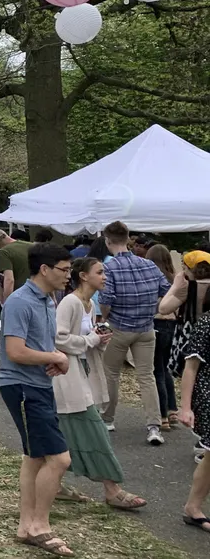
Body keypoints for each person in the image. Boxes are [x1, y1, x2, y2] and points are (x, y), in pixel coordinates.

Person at [0, 243, 76, 557]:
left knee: (34, 456)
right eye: (64, 270)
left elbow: (36, 346)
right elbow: (15, 351)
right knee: (59, 459)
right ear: (44, 269)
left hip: (38, 384)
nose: (68, 277)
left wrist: (52, 359)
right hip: (22, 386)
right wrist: (56, 356)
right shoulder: (19, 301)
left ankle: (25, 525)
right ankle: (39, 527)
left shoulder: (48, 299)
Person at [55, 257, 147, 511]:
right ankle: (112, 489)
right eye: (100, 272)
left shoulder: (89, 303)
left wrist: (97, 339)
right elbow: (59, 339)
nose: (105, 276)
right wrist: (91, 340)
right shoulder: (70, 302)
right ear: (84, 276)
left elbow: (85, 338)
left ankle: (54, 483)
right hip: (67, 379)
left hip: (83, 376)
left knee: (65, 434)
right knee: (93, 431)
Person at [97, 220, 170, 445]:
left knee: (111, 373)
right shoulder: (149, 265)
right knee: (146, 377)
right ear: (128, 239)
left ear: (108, 241)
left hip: (119, 327)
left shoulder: (108, 268)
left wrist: (105, 318)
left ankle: (108, 418)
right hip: (146, 328)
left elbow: (106, 299)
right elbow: (166, 291)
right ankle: (154, 425)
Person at [176, 283, 210, 534]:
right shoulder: (207, 323)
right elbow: (190, 367)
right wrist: (185, 407)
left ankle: (193, 507)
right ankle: (193, 507)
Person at [148, 244, 185, 429]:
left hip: (156, 323)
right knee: (165, 369)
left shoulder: (151, 278)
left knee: (157, 372)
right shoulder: (174, 280)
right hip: (173, 326)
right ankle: (172, 410)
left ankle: (162, 415)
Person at [0, 228, 31, 301]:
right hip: (39, 293)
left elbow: (9, 280)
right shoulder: (31, 246)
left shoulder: (4, 252)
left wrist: (7, 301)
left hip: (20, 296)